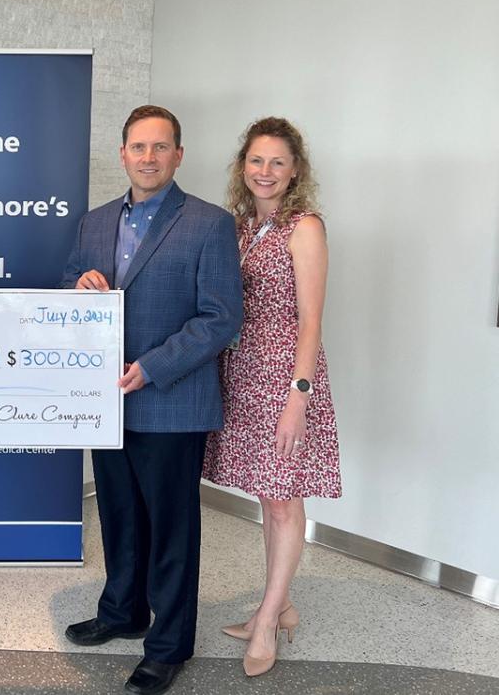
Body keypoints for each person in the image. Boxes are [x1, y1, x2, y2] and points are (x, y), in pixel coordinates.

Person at [61, 105, 243, 694]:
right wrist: (79, 286)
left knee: (171, 527)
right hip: (105, 401)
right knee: (117, 515)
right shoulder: (93, 223)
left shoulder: (209, 223)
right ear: (123, 155)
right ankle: (122, 611)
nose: (148, 157)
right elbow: (66, 290)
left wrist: (152, 367)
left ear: (179, 156)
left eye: (160, 147)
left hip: (170, 399)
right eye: (138, 147)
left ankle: (169, 644)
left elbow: (221, 319)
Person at [202, 117, 341, 677]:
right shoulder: (236, 227)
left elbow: (312, 323)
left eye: (277, 162)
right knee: (268, 496)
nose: (265, 172)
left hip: (285, 378)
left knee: (284, 498)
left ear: (295, 171)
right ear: (243, 168)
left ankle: (266, 622)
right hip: (243, 373)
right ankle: (279, 603)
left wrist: (298, 397)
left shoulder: (303, 228)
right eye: (256, 161)